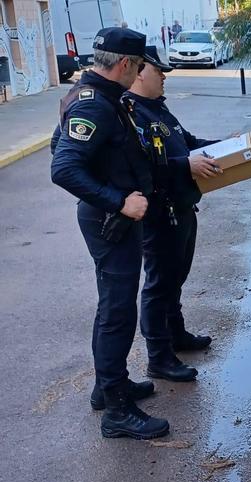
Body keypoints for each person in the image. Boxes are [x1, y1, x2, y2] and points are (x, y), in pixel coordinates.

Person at [50, 28, 169, 439]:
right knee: (118, 311)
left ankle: (108, 386)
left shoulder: (100, 97)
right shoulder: (94, 105)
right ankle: (117, 410)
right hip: (110, 221)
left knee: (114, 305)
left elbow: (58, 143)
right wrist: (118, 201)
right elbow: (63, 167)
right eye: (138, 66)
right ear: (124, 65)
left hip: (114, 217)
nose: (139, 73)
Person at [125, 46, 220, 382]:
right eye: (158, 71)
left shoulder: (158, 110)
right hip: (158, 214)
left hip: (181, 207)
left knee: (174, 280)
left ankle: (176, 335)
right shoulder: (131, 114)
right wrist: (186, 165)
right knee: (158, 285)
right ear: (139, 72)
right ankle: (159, 356)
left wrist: (228, 145)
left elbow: (188, 142)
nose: (164, 76)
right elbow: (142, 167)